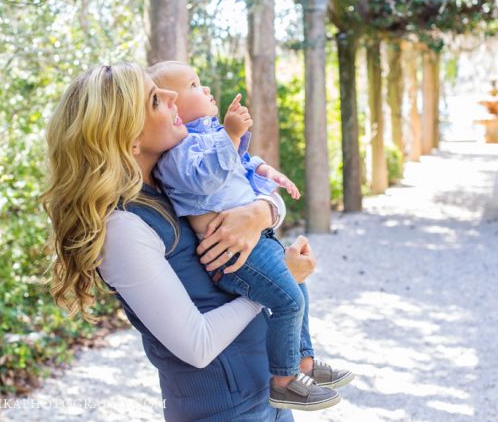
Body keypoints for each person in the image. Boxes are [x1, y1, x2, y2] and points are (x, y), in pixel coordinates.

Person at [41, 63, 327, 421]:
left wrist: (263, 212)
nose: (174, 96)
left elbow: (247, 189)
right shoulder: (123, 228)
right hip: (222, 411)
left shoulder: (178, 181)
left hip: (268, 393)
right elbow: (197, 344)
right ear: (129, 139)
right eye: (156, 100)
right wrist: (283, 279)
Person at [148, 61, 353, 411]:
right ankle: (284, 381)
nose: (207, 89)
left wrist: (265, 174)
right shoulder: (177, 153)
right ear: (175, 109)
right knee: (289, 300)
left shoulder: (209, 138)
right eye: (196, 85)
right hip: (233, 256)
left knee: (298, 286)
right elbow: (206, 178)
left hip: (257, 241)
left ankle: (303, 361)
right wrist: (229, 136)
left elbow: (240, 166)